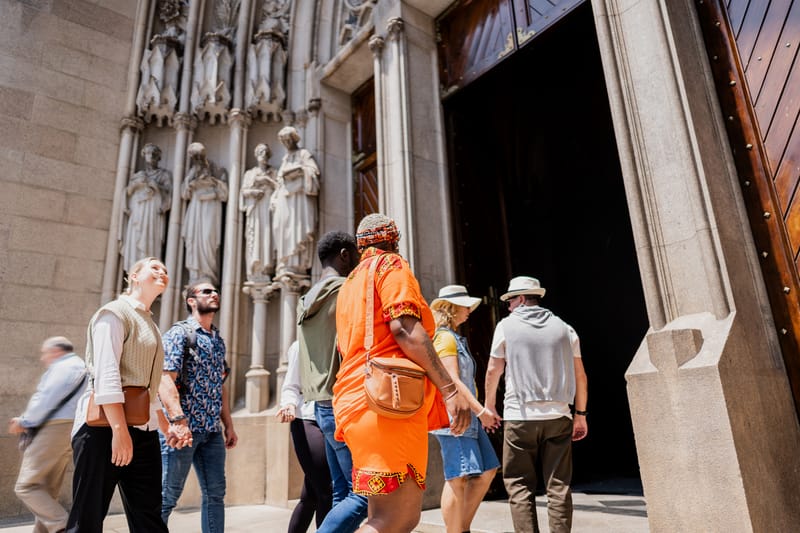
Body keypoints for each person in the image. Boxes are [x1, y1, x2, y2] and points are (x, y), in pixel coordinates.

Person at [334, 213, 471, 533]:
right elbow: (406, 329)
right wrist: (450, 390)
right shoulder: (391, 267)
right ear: (394, 242)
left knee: (381, 514)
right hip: (386, 405)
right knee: (398, 519)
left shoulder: (350, 284)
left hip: (356, 403)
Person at [67, 257, 192, 533]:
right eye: (155, 267)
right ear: (134, 276)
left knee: (149, 519)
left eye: (166, 270)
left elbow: (150, 387)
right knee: (86, 519)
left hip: (142, 432)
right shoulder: (112, 314)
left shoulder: (152, 325)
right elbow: (107, 375)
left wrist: (164, 426)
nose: (163, 272)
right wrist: (119, 431)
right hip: (102, 430)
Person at [484, 276, 588, 533]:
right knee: (559, 485)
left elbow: (493, 370)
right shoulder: (566, 328)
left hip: (520, 416)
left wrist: (489, 405)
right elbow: (580, 375)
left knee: (519, 485)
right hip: (558, 416)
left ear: (520, 299)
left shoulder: (506, 327)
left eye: (510, 301)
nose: (508, 307)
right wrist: (581, 414)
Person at [297, 231, 367, 533]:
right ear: (345, 254)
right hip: (344, 404)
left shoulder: (306, 299)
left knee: (341, 493)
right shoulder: (346, 290)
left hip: (321, 407)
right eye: (357, 254)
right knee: (364, 495)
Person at [160, 281, 238, 532]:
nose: (214, 293)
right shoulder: (179, 333)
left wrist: (229, 425)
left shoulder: (218, 340)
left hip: (212, 432)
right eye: (206, 291)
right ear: (191, 301)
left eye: (215, 290)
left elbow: (220, 385)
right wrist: (178, 422)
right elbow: (165, 380)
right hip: (184, 431)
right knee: (167, 496)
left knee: (215, 495)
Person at [429, 285, 501, 533]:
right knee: (457, 477)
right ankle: (455, 530)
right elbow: (454, 380)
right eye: (465, 304)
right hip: (455, 416)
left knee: (488, 470)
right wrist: (481, 411)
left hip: (466, 415)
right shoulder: (445, 337)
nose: (469, 309)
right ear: (451, 308)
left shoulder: (453, 337)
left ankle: (460, 528)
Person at [9, 337, 87, 533]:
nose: (43, 358)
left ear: (56, 351)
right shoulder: (82, 366)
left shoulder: (63, 367)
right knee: (47, 490)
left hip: (53, 428)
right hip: (72, 429)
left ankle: (64, 526)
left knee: (26, 486)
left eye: (45, 353)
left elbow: (45, 399)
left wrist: (24, 421)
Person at [277, 340, 332, 532]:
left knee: (311, 495)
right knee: (327, 490)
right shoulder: (300, 345)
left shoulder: (341, 338)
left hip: (335, 420)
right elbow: (290, 386)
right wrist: (288, 404)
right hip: (306, 418)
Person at [272, 126, 320, 273]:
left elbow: (313, 172)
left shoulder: (303, 154)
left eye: (288, 139)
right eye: (283, 141)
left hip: (299, 199)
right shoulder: (285, 159)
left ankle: (297, 263)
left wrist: (301, 171)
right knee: (281, 227)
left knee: (296, 229)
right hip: (284, 199)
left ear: (294, 139)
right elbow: (279, 182)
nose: (286, 143)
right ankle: (285, 260)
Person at [181, 142, 228, 284]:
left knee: (208, 239)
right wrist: (190, 183)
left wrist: (214, 183)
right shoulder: (192, 172)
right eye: (193, 156)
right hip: (196, 209)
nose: (196, 159)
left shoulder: (217, 170)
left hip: (211, 209)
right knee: (194, 240)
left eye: (197, 155)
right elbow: (184, 194)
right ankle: (196, 275)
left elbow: (224, 194)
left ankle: (209, 274)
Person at [122, 143, 172, 273]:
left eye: (155, 153)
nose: (152, 156)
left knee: (150, 239)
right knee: (136, 237)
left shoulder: (164, 175)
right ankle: (135, 272)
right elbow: (127, 192)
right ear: (144, 156)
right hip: (138, 210)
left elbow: (169, 193)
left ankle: (148, 273)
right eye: (149, 153)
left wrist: (155, 185)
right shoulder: (138, 175)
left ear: (159, 157)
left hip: (153, 211)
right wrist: (136, 185)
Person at [240, 143, 279, 280]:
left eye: (265, 152)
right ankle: (256, 267)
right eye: (260, 152)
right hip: (255, 209)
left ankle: (267, 266)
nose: (263, 155)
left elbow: (280, 188)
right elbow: (244, 192)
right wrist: (254, 192)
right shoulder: (250, 174)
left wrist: (267, 180)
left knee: (267, 236)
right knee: (255, 237)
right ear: (256, 155)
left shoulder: (273, 172)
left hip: (269, 209)